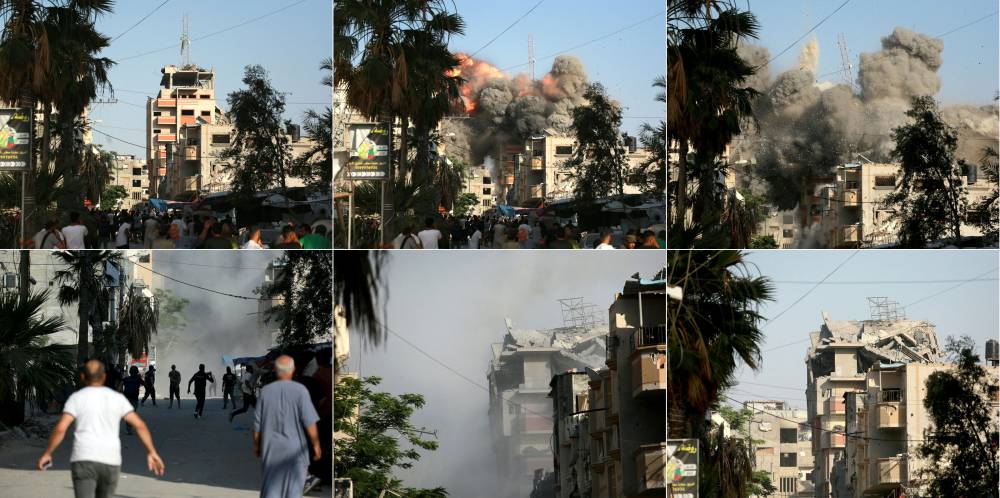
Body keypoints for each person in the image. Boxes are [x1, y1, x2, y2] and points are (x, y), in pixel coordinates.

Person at [37, 360, 165, 498]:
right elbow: (140, 425)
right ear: (103, 377)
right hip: (110, 461)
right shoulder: (117, 399)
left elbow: (61, 428)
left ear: (82, 377)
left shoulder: (76, 398)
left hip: (83, 460)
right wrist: (152, 452)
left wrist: (48, 453)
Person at [254, 356, 321, 498]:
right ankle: (307, 479)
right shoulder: (300, 390)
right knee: (293, 491)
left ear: (275, 371)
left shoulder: (266, 391)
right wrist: (316, 445)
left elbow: (257, 425)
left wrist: (257, 446)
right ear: (293, 370)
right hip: (295, 451)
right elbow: (310, 422)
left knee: (271, 489)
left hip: (271, 450)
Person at [121, 366, 142, 435]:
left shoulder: (126, 379)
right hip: (134, 398)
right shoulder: (138, 379)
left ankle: (128, 428)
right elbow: (145, 384)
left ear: (130, 372)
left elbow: (120, 385)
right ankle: (129, 428)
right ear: (136, 372)